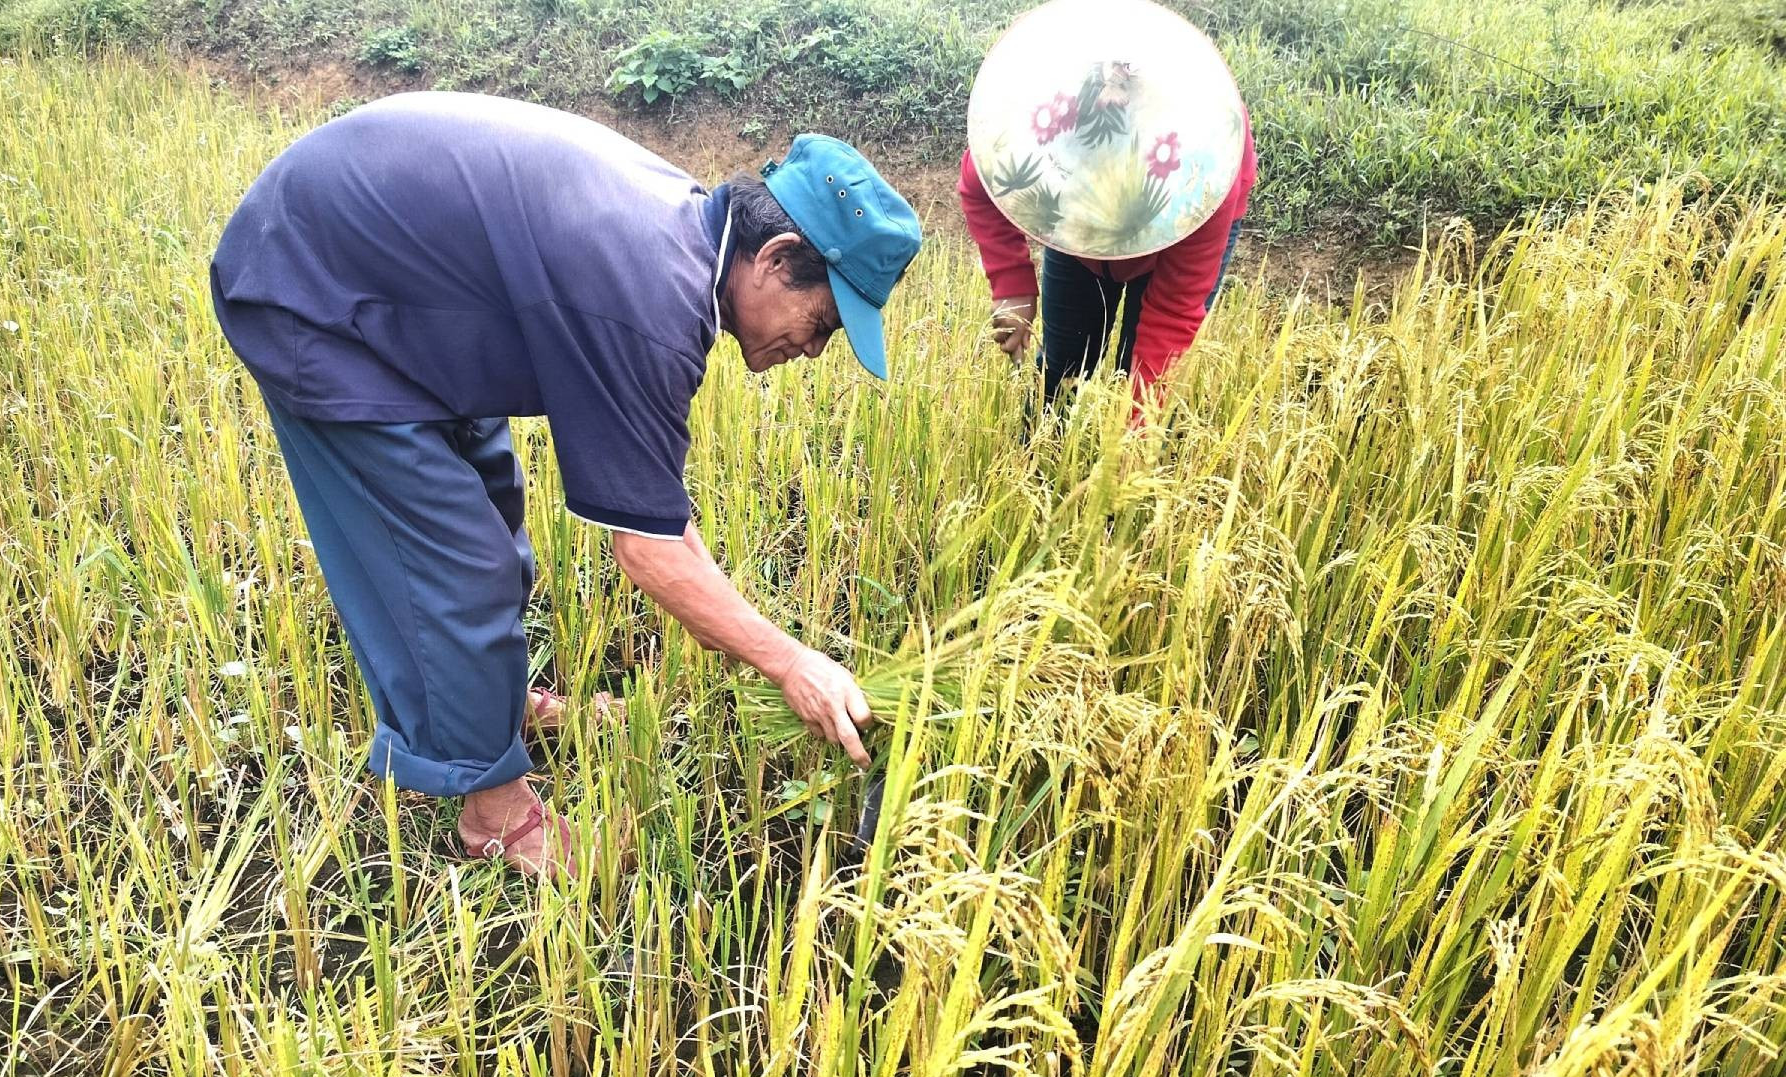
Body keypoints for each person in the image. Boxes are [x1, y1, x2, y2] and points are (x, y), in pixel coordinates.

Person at [207, 92, 921, 877]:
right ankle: (494, 812)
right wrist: (790, 663)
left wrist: (731, 605)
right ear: (778, 257)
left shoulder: (684, 240)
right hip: (312, 292)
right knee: (455, 563)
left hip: (400, 288)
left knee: (492, 507)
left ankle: (492, 704)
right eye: (821, 324)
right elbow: (649, 551)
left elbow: (659, 517)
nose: (813, 351)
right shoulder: (653, 301)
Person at [957, 0, 1256, 410]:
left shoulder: (1203, 170)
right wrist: (1012, 286)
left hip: (1177, 226)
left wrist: (1133, 453)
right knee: (1064, 367)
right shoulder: (1036, 119)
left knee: (1140, 369)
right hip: (1075, 237)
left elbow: (1170, 317)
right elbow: (982, 185)